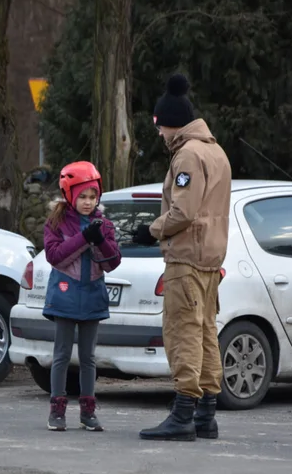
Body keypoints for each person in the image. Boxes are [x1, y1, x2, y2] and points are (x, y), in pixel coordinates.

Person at [133, 74, 231, 441]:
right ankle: (206, 415)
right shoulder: (216, 151)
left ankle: (183, 413)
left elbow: (184, 211)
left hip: (187, 258)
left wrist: (152, 230)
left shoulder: (188, 154)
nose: (159, 135)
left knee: (182, 332)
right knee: (206, 332)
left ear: (169, 123)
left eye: (159, 128)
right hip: (209, 259)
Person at [43, 161, 121, 432]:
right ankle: (57, 410)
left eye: (93, 197)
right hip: (64, 295)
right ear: (70, 195)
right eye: (83, 197)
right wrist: (84, 237)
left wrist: (98, 238)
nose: (88, 202)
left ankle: (88, 412)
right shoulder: (57, 223)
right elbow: (55, 256)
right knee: (62, 354)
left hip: (92, 296)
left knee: (88, 357)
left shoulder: (105, 224)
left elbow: (112, 262)